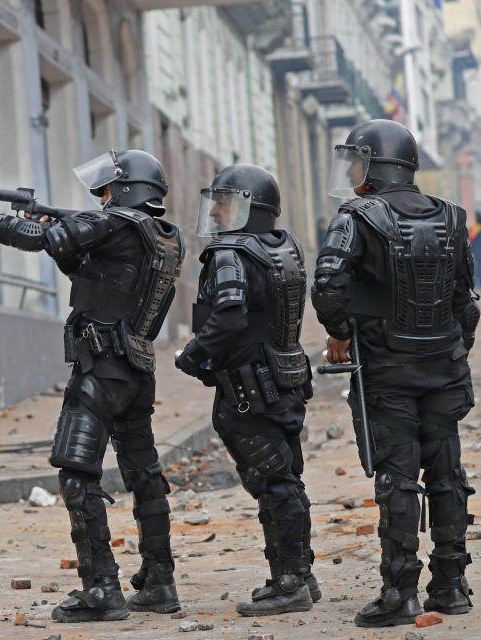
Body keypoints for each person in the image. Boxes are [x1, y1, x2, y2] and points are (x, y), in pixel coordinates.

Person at [0, 150, 184, 622]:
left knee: (77, 474)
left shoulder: (119, 224)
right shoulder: (162, 236)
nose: (101, 198)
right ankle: (159, 582)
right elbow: (92, 274)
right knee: (144, 476)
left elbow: (39, 239)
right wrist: (58, 232)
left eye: (108, 189)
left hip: (102, 371)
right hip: (136, 371)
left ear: (127, 188)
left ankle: (101, 589)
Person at [311, 120, 480, 628]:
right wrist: (454, 351)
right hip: (442, 368)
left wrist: (339, 332)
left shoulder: (356, 217)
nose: (353, 172)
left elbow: (327, 287)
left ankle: (399, 592)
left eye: (358, 161)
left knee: (398, 477)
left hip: (387, 369)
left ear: (376, 164)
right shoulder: (452, 216)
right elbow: (465, 302)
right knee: (447, 473)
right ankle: (451, 587)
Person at [174, 165, 320, 616]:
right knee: (285, 479)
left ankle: (291, 581)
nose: (216, 212)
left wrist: (193, 354)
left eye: (225, 203)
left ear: (250, 208)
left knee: (273, 482)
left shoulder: (229, 253)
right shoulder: (285, 245)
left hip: (249, 387)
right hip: (286, 379)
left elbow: (231, 316)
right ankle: (298, 574)